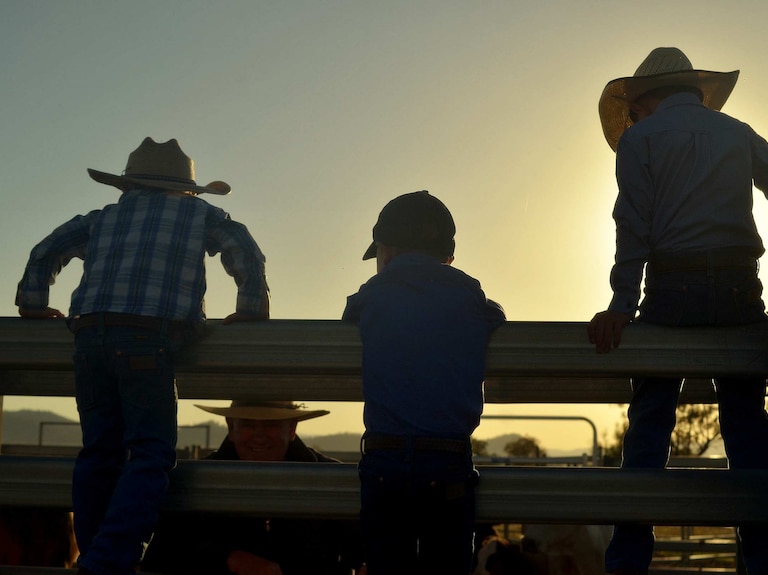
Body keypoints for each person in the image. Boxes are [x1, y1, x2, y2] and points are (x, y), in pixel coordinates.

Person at [586, 48, 768, 575]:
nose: (632, 120)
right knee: (748, 428)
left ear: (644, 101)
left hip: (670, 291)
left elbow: (632, 224)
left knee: (650, 425)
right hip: (737, 291)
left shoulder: (640, 140)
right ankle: (767, 565)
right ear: (695, 91)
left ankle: (627, 566)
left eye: (632, 111)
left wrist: (620, 304)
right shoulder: (736, 132)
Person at [15, 137, 270, 575]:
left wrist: (33, 303)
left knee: (99, 452)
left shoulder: (101, 219)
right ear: (188, 190)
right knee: (150, 453)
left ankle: (95, 555)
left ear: (126, 187)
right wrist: (251, 309)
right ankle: (111, 560)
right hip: (149, 338)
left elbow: (45, 250)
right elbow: (242, 246)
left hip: (89, 333)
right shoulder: (200, 215)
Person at [342, 190, 506, 575]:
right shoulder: (468, 293)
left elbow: (349, 316)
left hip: (385, 458)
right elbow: (494, 315)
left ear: (387, 251)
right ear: (448, 258)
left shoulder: (371, 293)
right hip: (447, 461)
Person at [142, 400, 364, 575]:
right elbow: (160, 556)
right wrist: (227, 558)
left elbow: (367, 551)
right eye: (248, 424)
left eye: (271, 425)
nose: (259, 435)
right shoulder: (192, 481)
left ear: (292, 429)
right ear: (231, 427)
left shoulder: (331, 482)